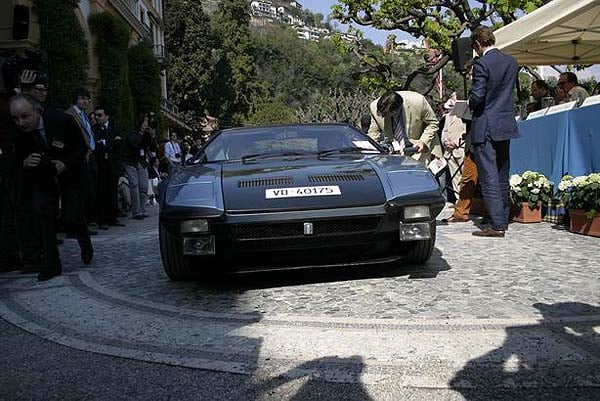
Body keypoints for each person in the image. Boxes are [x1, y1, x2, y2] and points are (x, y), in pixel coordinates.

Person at [10, 94, 93, 281]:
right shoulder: (18, 132)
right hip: (42, 175)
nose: (21, 122)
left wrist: (65, 164)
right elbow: (12, 158)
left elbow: (81, 147)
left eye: (25, 116)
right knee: (43, 213)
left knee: (71, 217)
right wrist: (24, 162)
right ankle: (52, 264)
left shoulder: (62, 120)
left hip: (71, 172)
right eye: (16, 118)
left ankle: (83, 235)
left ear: (37, 111)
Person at [468, 26, 520, 237]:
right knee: (501, 174)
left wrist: (468, 103)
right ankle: (503, 216)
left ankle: (497, 225)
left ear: (478, 44)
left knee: (488, 175)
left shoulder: (481, 64)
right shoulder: (511, 62)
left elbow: (478, 97)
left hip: (486, 125)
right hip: (505, 123)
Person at [367, 90, 442, 165]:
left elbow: (433, 123)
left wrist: (422, 141)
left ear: (396, 110)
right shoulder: (373, 107)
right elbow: (373, 132)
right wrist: (372, 149)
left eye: (387, 115)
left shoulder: (418, 102)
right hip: (396, 154)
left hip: (421, 149)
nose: (384, 117)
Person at [441, 97, 467, 202]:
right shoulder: (447, 117)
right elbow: (445, 131)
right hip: (449, 152)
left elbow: (465, 132)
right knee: (455, 177)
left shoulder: (463, 116)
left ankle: (466, 200)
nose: (449, 109)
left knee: (464, 176)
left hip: (460, 150)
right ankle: (458, 200)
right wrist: (445, 142)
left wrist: (455, 143)